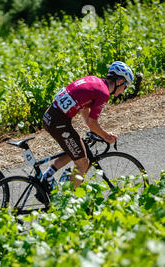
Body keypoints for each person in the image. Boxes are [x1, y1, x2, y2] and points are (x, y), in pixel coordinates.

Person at [41, 61, 134, 189]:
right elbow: (92, 122)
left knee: (79, 149)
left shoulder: (95, 80)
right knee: (83, 164)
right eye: (126, 86)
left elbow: (84, 109)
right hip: (58, 122)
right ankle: (67, 200)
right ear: (120, 82)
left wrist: (94, 130)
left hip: (51, 116)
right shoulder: (104, 93)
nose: (124, 90)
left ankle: (47, 176)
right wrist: (106, 136)